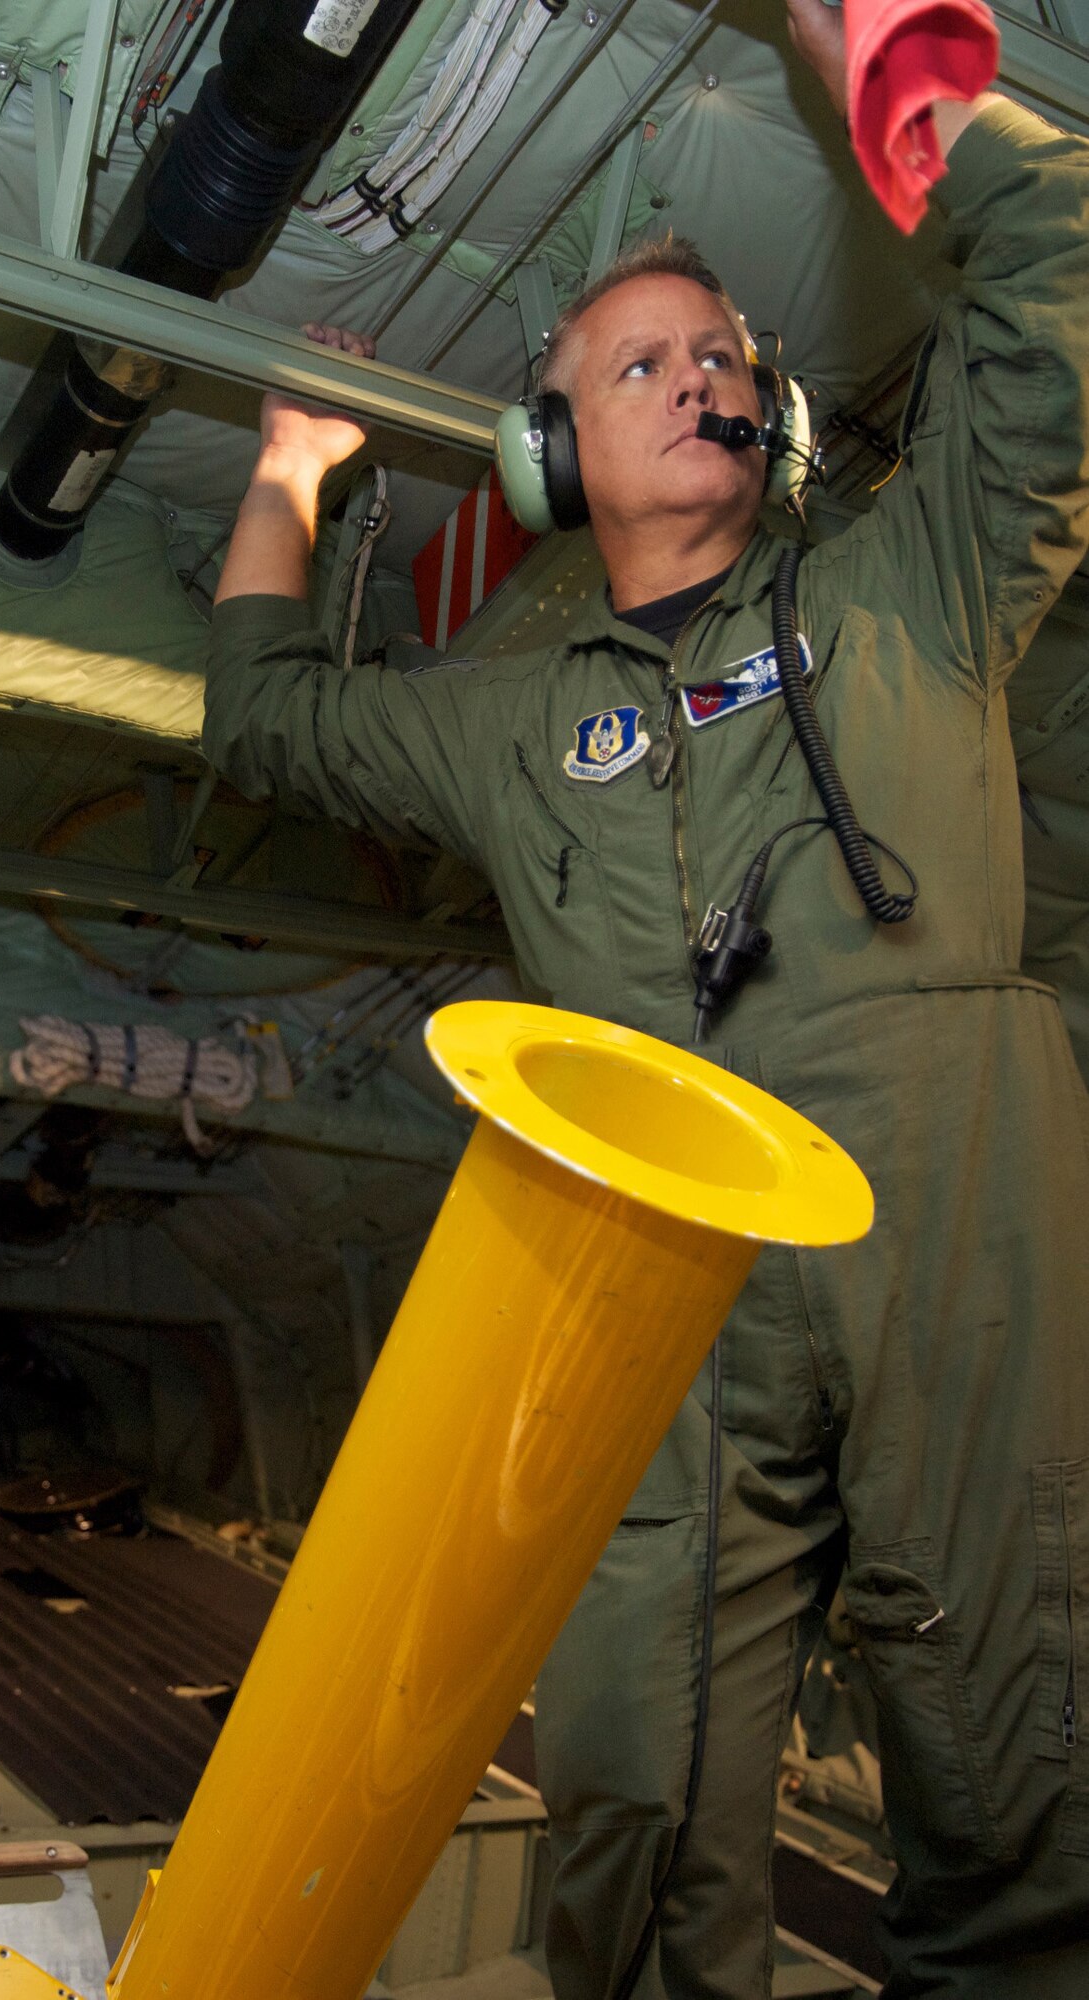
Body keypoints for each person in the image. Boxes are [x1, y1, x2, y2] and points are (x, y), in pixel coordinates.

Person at [199, 1, 1089, 1994]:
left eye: (718, 355)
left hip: (938, 1190)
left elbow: (1062, 281)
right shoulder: (512, 724)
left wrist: (879, 64)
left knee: (1008, 1735)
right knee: (630, 1761)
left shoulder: (903, 586)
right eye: (637, 360)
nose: (696, 373)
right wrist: (288, 469)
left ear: (766, 421)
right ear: (547, 450)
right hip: (657, 1260)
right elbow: (264, 720)